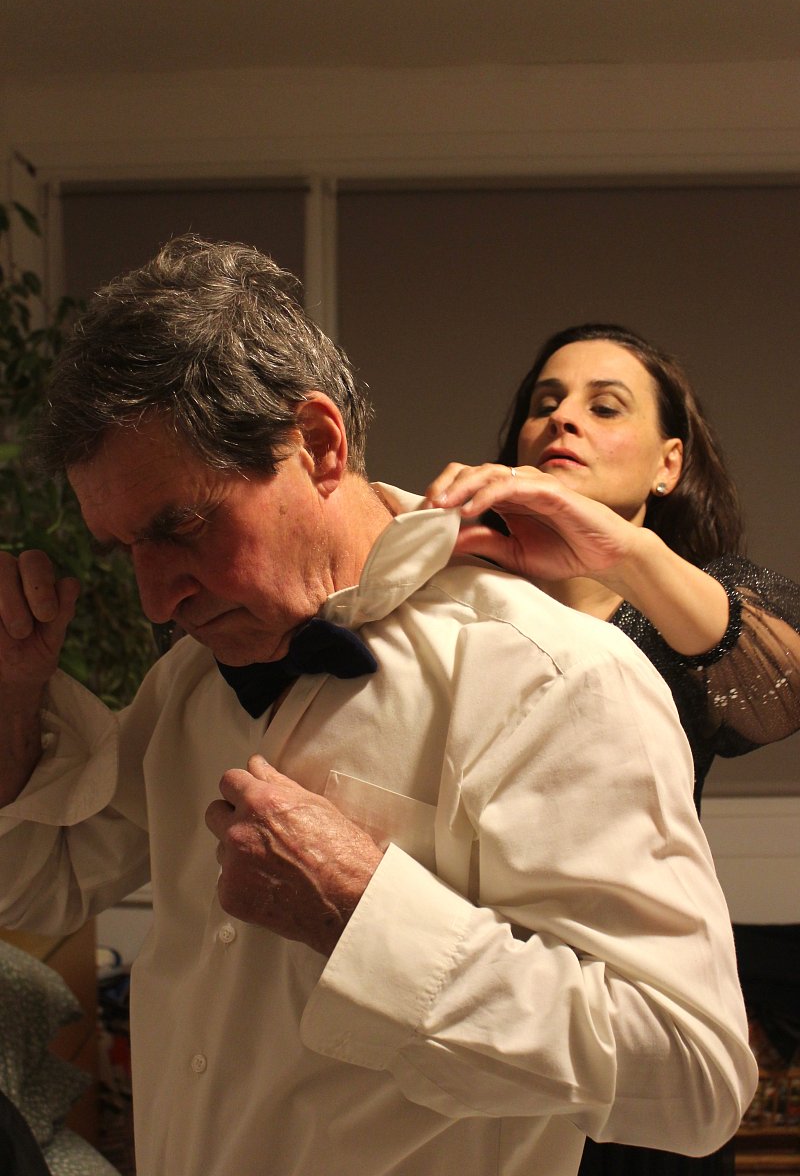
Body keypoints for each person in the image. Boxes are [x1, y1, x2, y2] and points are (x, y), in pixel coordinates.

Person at [0, 245, 757, 1176]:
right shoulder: (189, 682)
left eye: (182, 526)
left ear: (318, 446)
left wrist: (362, 913)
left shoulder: (550, 676)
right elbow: (37, 886)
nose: (156, 599)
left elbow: (694, 1077)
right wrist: (13, 697)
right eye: (125, 550)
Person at [425, 322, 800, 1173]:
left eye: (605, 407)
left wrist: (623, 553)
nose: (563, 419)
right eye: (545, 403)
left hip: (640, 1025)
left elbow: (784, 687)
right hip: (488, 1013)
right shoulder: (464, 603)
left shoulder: (699, 604)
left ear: (668, 465)